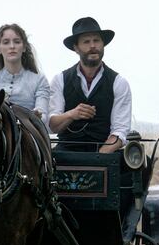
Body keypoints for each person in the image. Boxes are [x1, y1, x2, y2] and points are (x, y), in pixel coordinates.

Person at [49, 17, 131, 153]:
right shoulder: (60, 80)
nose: (92, 46)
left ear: (103, 44)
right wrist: (72, 114)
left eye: (96, 40)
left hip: (104, 152)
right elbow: (53, 126)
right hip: (66, 153)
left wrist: (98, 157)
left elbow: (120, 131)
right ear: (76, 48)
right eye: (86, 41)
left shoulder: (119, 83)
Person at [0, 23, 50, 125]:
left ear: (24, 47)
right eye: (6, 42)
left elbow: (42, 116)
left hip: (29, 131)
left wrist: (36, 114)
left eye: (17, 42)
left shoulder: (39, 80)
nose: (12, 46)